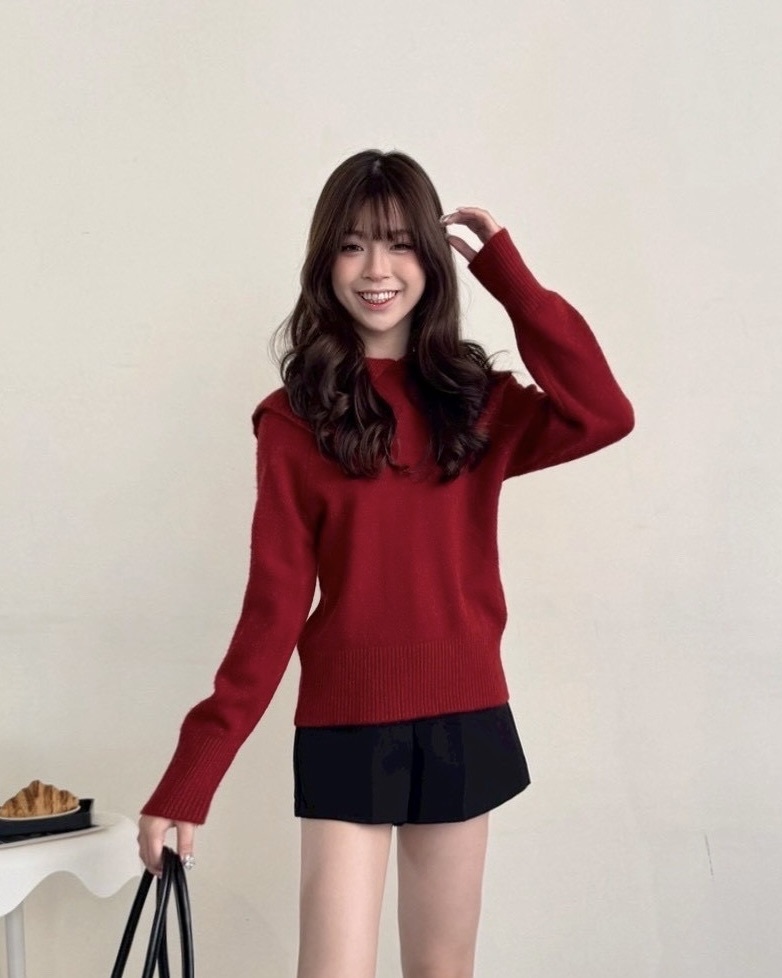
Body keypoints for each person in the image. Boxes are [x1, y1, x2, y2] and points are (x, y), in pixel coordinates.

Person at [137, 149, 634, 978]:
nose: (377, 269)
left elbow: (604, 412)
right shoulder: (294, 422)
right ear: (325, 261)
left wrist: (511, 281)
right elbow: (272, 612)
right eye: (354, 245)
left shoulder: (478, 404)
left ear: (432, 261)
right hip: (346, 723)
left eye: (401, 244)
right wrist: (191, 777)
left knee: (442, 971)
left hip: (464, 714)